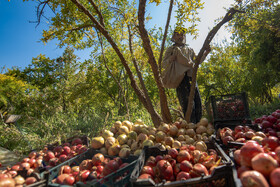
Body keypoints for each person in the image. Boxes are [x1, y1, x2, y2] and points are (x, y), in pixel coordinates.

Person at [162, 27, 210, 123]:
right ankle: (190, 127)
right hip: (180, 79)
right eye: (177, 34)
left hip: (191, 78)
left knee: (197, 102)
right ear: (174, 37)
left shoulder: (189, 49)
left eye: (182, 34)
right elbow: (163, 64)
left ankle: (199, 127)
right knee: (187, 105)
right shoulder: (171, 49)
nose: (180, 36)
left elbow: (197, 61)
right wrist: (171, 59)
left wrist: (206, 53)